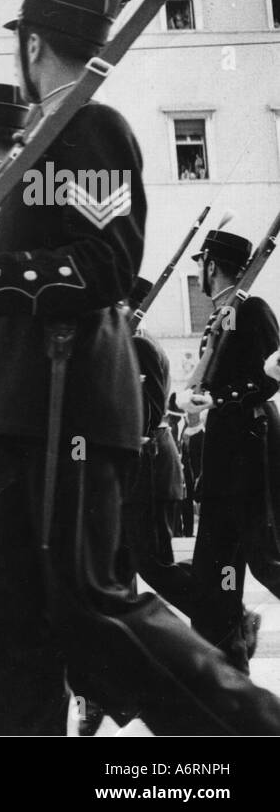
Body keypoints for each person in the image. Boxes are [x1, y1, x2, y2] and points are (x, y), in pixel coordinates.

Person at [0, 0, 280, 734]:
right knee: (3, 618)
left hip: (68, 403)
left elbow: (107, 264)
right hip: (17, 409)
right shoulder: (38, 143)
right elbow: (25, 287)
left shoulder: (90, 130)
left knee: (92, 601)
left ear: (31, 45)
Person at [176, 229, 280, 671]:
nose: (199, 273)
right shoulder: (222, 317)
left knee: (266, 560)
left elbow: (269, 377)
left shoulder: (250, 309)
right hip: (224, 461)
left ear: (211, 266)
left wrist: (219, 399)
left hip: (249, 454)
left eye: (201, 265)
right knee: (215, 575)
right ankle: (226, 677)